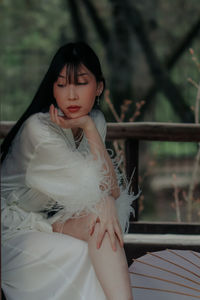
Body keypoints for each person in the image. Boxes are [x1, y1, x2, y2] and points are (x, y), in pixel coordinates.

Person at [1, 42, 136, 300]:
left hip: (50, 220)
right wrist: (105, 199)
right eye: (61, 84)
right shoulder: (38, 130)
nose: (71, 95)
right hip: (12, 230)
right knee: (82, 252)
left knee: (101, 227)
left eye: (81, 83)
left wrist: (88, 127)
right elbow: (103, 191)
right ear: (52, 88)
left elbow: (112, 191)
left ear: (99, 87)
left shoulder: (94, 120)